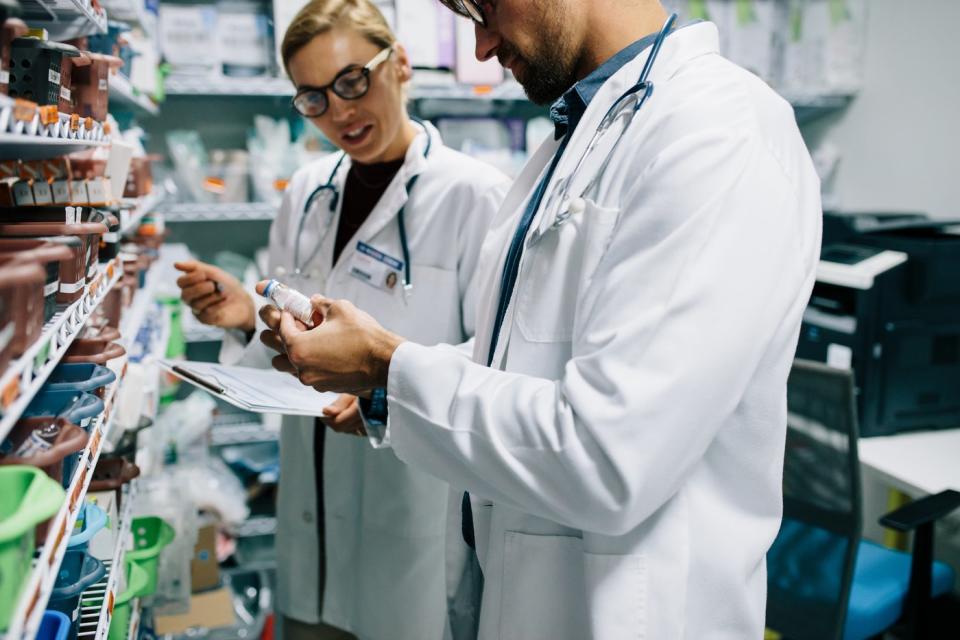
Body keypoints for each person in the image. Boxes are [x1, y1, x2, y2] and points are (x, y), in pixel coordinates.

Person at [258, 0, 822, 637]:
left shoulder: (718, 133)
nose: (480, 46)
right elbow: (518, 361)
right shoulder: (584, 136)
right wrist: (383, 384)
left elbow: (610, 457)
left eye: (482, 6)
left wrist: (388, 365)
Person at [174, 1, 509, 638]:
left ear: (401, 64)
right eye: (313, 98)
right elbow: (293, 327)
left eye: (353, 81)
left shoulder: (477, 196)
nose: (340, 112)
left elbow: (494, 362)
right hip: (310, 528)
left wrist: (389, 392)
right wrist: (248, 316)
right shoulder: (305, 192)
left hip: (410, 527)